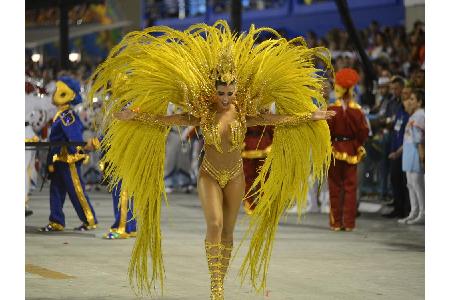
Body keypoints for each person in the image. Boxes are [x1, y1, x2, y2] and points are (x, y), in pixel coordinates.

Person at [88, 21, 335, 299]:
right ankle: (215, 286)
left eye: (230, 92)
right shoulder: (203, 114)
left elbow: (279, 120)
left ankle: (219, 282)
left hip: (236, 177)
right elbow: (166, 120)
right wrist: (136, 116)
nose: (226, 98)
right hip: (209, 174)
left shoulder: (244, 113)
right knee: (215, 225)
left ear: (236, 89)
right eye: (221, 93)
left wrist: (309, 116)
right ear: (214, 90)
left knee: (228, 232)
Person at [40, 76, 98, 232]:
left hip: (68, 160)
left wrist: (77, 152)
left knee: (76, 191)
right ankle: (56, 221)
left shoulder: (67, 115)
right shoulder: (60, 115)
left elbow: (75, 138)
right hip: (60, 159)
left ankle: (89, 220)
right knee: (56, 191)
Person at [327, 68, 369, 231]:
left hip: (335, 149)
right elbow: (363, 132)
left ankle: (336, 222)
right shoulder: (357, 110)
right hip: (351, 150)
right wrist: (356, 143)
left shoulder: (332, 108)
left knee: (335, 187)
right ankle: (349, 223)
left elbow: (326, 132)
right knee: (350, 188)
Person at [383, 84, 411, 218]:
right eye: (403, 93)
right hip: (394, 150)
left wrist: (397, 151)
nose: (403, 96)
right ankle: (398, 208)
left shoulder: (410, 114)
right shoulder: (400, 109)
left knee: (405, 182)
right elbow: (396, 129)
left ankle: (406, 210)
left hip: (404, 152)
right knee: (395, 179)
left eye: (407, 94)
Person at [398, 89, 425, 225]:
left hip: (415, 153)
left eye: (413, 99)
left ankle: (423, 212)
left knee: (418, 184)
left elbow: (419, 138)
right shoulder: (413, 115)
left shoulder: (421, 115)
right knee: (410, 184)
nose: (410, 101)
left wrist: (422, 156)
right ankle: (414, 212)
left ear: (420, 102)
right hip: (408, 152)